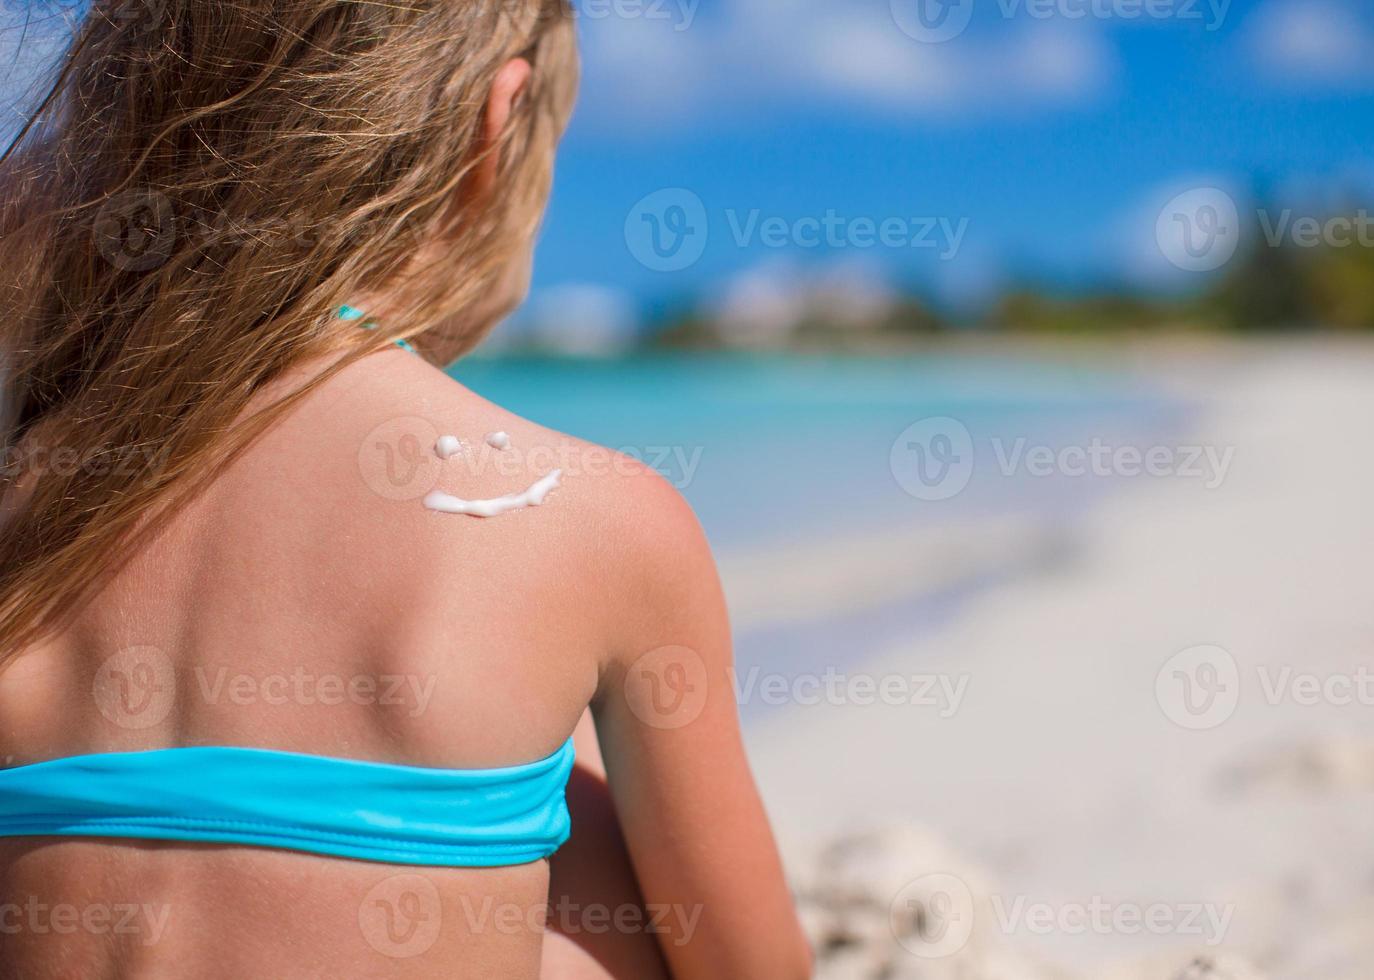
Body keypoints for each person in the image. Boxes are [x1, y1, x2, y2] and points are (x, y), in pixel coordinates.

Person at [0, 3, 811, 977]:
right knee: (578, 830)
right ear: (498, 124)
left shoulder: (33, 488)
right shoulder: (594, 513)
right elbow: (755, 966)